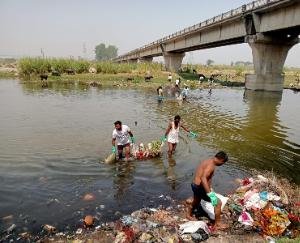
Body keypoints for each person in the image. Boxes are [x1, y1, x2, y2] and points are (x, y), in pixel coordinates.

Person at [188, 151, 229, 230]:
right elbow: (203, 178)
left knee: (196, 200)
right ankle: (217, 224)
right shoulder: (211, 166)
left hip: (195, 185)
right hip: (201, 188)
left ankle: (188, 215)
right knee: (217, 203)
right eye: (223, 162)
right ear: (221, 159)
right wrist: (210, 193)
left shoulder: (207, 161)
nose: (222, 164)